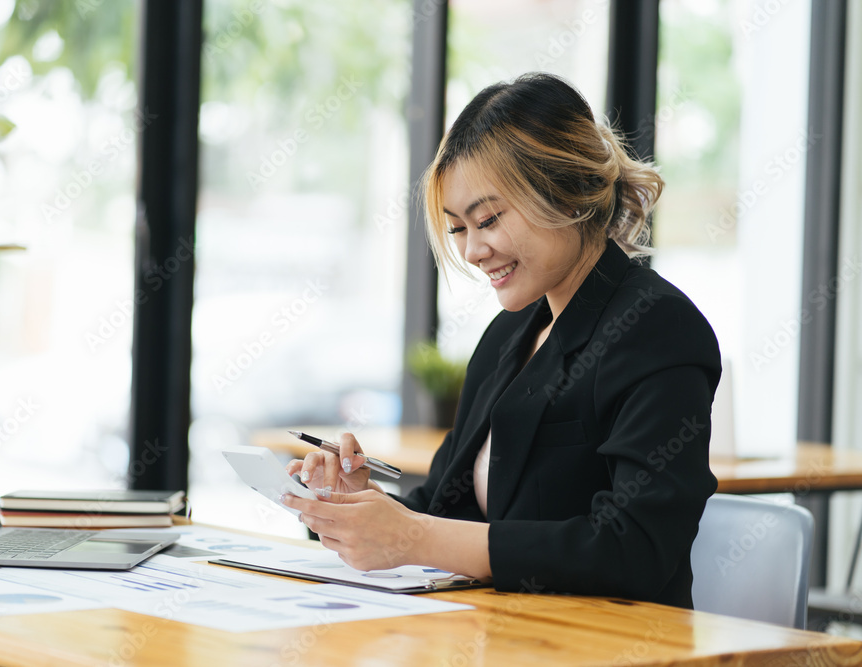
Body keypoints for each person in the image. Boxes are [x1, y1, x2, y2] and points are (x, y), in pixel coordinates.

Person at [282, 72, 721, 609]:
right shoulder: (509, 334)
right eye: (458, 229)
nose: (472, 251)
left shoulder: (657, 327)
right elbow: (447, 507)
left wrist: (414, 536)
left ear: (567, 192)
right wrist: (359, 505)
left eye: (487, 219)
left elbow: (633, 549)